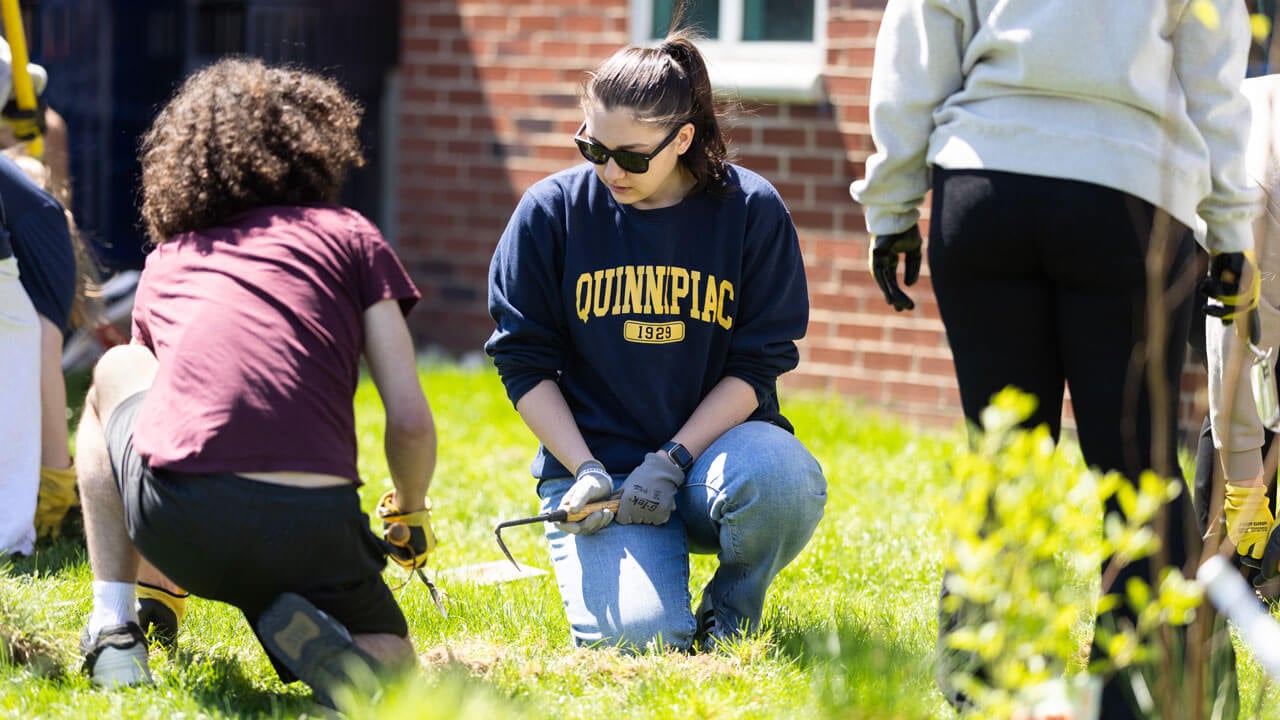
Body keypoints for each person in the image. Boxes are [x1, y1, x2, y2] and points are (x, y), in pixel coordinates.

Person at [849, 1, 1258, 718]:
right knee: (1137, 466)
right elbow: (1214, 78)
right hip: (1127, 197)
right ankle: (1138, 693)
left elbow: (917, 46)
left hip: (986, 186)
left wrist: (890, 210)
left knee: (1005, 454)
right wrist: (1228, 230)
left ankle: (986, 686)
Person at [75, 57, 437, 708]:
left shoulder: (171, 258)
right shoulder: (351, 237)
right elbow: (408, 417)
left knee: (115, 373)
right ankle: (346, 657)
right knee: (394, 654)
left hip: (182, 522)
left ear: (182, 162)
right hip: (315, 521)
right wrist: (410, 508)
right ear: (315, 148)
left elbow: (160, 420)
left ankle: (115, 627)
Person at [484, 21, 827, 654]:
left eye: (633, 157)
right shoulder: (549, 212)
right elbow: (522, 361)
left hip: (708, 464)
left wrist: (671, 460)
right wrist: (583, 466)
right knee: (639, 644)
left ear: (683, 138)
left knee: (783, 479)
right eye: (594, 150)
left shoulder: (750, 211)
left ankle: (731, 614)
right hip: (602, 480)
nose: (611, 171)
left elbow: (758, 365)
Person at [0, 41, 82, 554]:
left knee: (37, 348)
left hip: (37, 244)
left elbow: (45, 349)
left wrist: (55, 487)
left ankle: (56, 490)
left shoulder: (34, 212)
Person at [1204, 72, 1280, 593]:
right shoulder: (1260, 175)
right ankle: (1222, 556)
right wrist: (1246, 491)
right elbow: (1235, 338)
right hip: (1219, 248)